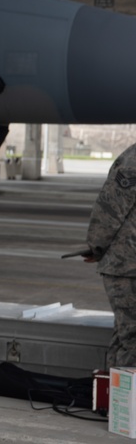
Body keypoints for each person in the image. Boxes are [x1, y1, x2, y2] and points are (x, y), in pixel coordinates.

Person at [82, 143, 136, 369]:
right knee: (132, 338)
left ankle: (112, 398)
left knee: (125, 334)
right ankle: (126, 401)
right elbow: (110, 207)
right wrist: (97, 246)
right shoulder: (133, 161)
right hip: (126, 265)